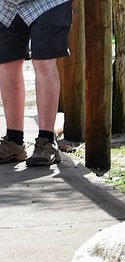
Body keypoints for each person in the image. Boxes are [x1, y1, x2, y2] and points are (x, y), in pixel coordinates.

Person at [0, 0, 72, 167]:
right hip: (8, 6)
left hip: (48, 3)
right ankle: (14, 142)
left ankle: (47, 141)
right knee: (6, 64)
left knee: (43, 62)